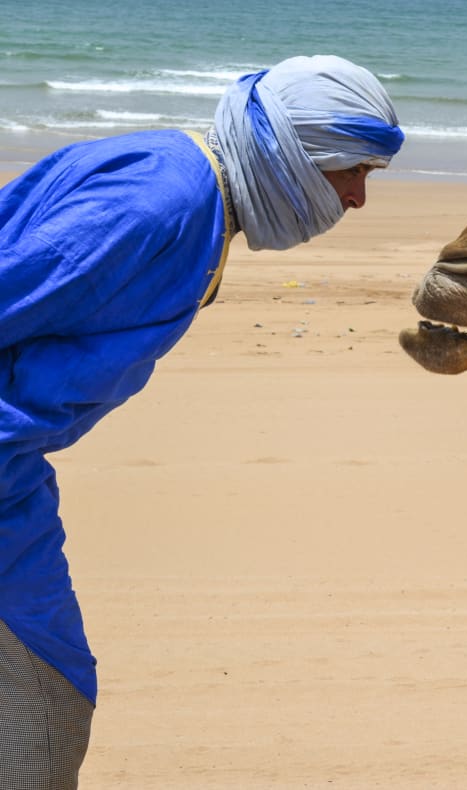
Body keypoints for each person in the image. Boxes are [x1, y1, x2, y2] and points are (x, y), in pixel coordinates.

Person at [0, 54, 403, 787]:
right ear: (289, 148)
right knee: (40, 721)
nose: (356, 199)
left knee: (56, 692)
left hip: (15, 483)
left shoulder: (189, 194)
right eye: (352, 170)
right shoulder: (159, 205)